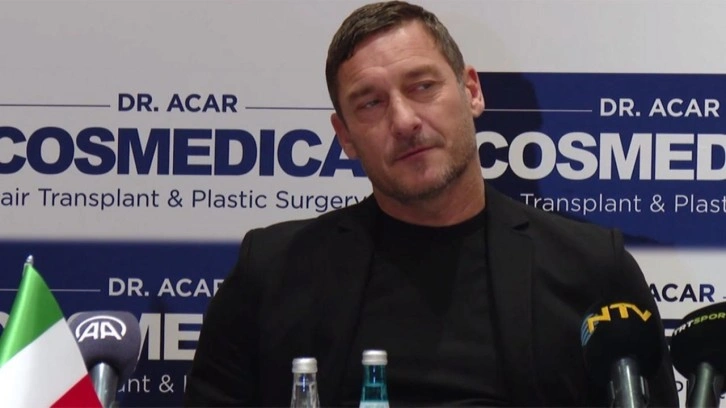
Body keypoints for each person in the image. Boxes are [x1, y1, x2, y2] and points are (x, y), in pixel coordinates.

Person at [184, 1, 679, 406]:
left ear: (471, 91)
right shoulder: (273, 271)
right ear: (345, 135)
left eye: (422, 86)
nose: (404, 121)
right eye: (370, 103)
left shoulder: (592, 269)